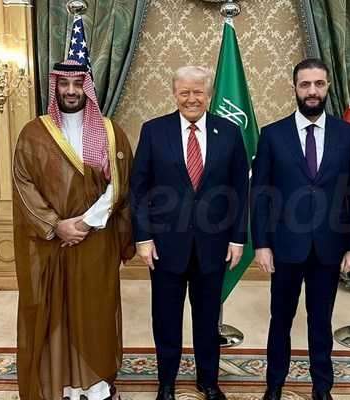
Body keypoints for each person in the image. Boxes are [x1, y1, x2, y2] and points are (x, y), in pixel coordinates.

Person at [12, 60, 135, 400]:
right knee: (54, 311)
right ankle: (61, 384)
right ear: (55, 87)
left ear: (87, 88)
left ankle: (95, 386)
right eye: (64, 84)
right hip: (50, 244)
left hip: (96, 241)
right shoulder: (33, 133)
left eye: (77, 84)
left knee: (94, 310)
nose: (70, 91)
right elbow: (23, 184)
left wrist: (84, 223)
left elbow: (121, 186)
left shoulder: (110, 132)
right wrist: (56, 225)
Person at [251, 58, 350, 400]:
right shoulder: (272, 135)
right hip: (284, 247)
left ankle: (322, 388)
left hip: (328, 248)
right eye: (305, 84)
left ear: (328, 86)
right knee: (280, 320)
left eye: (318, 83)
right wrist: (261, 244)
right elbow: (260, 195)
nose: (312, 91)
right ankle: (274, 385)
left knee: (321, 322)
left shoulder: (348, 134)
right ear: (295, 88)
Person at [130, 66, 249, 400]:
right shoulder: (154, 131)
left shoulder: (229, 132)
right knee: (166, 319)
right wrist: (143, 237)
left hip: (213, 245)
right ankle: (166, 382)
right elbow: (138, 190)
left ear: (208, 95)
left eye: (198, 92)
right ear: (174, 94)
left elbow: (240, 191)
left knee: (208, 319)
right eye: (184, 92)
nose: (191, 98)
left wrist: (238, 238)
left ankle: (208, 381)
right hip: (164, 245)